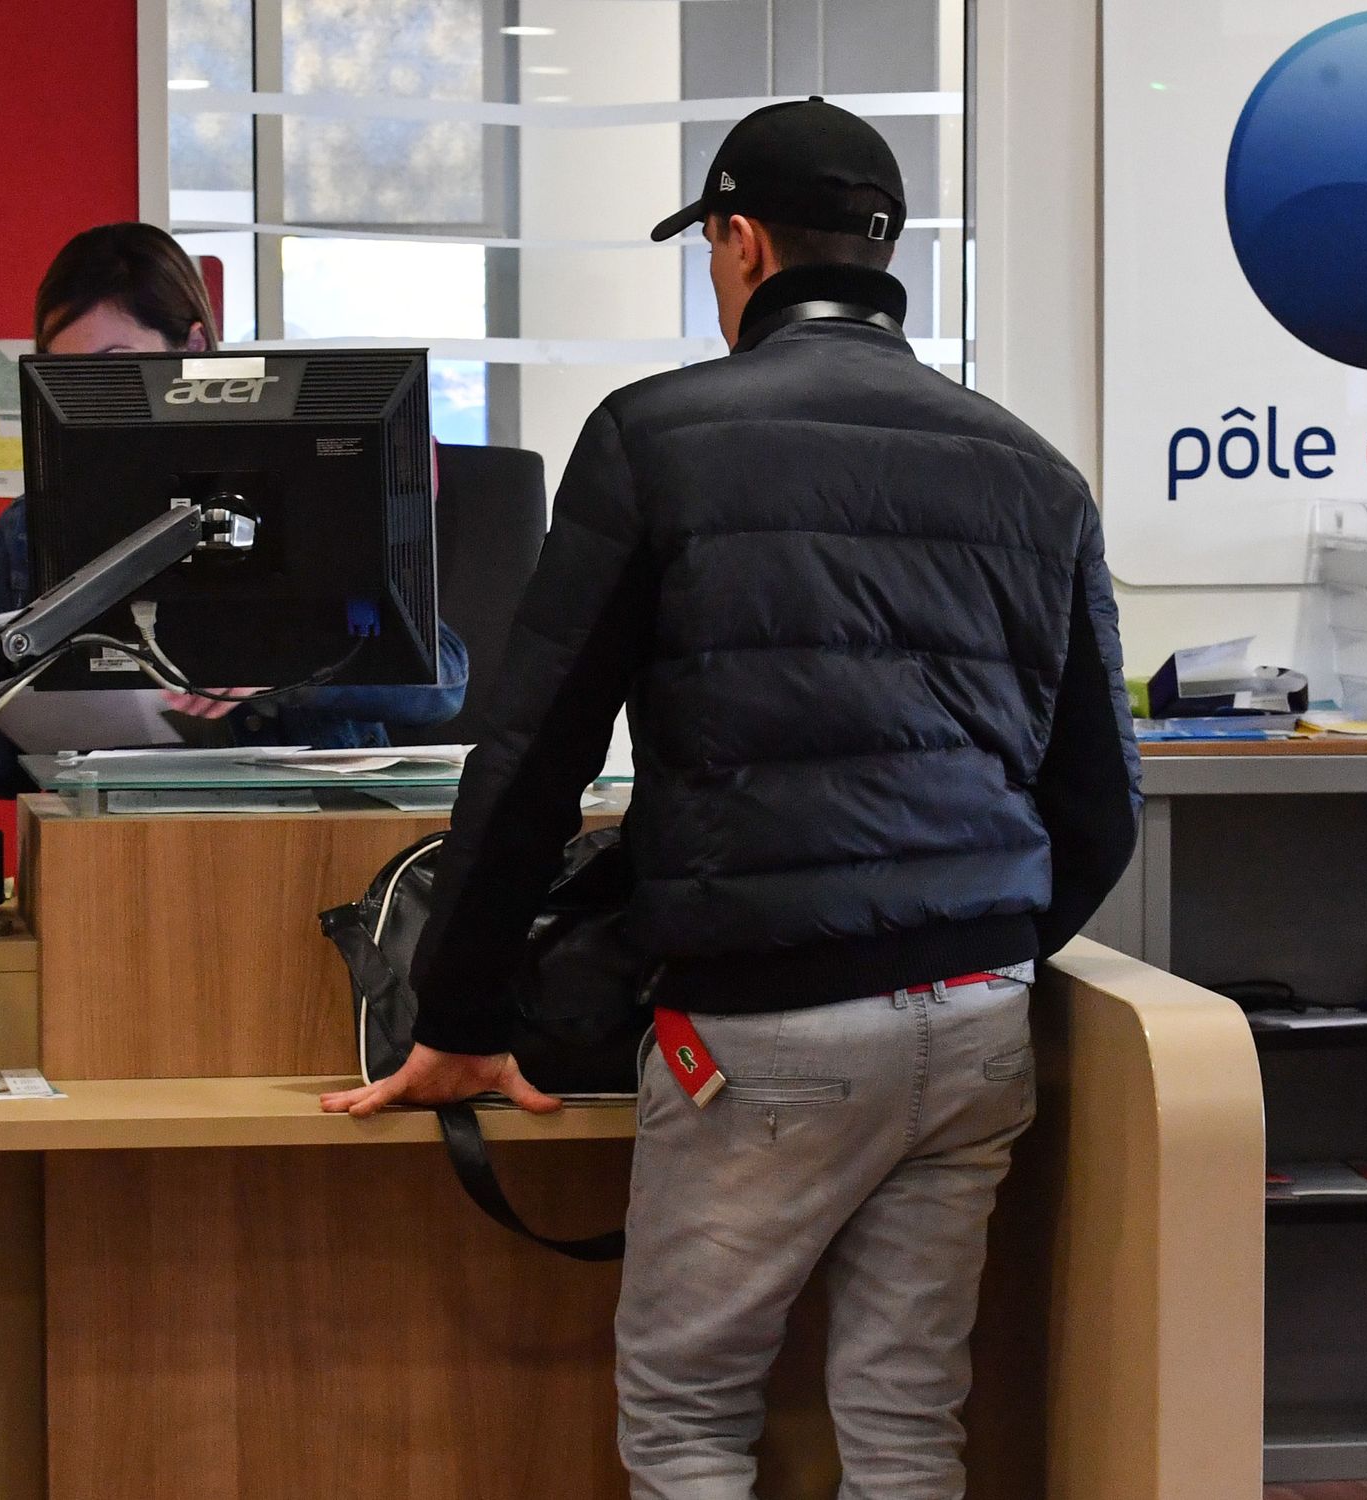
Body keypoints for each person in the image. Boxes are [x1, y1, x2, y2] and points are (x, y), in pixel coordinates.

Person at [319, 99, 1140, 1498]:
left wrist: (456, 1014)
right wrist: (967, 947)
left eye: (710, 250)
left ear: (742, 242)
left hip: (765, 1020)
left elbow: (534, 755)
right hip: (979, 1015)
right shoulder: (1035, 473)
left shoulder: (658, 437)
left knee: (692, 1418)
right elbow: (1101, 798)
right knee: (906, 1425)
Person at [0, 223, 465, 783]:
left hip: (315, 812)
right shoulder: (29, 528)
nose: (92, 395)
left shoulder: (319, 493)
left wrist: (284, 673)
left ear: (193, 347)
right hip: (121, 823)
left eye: (113, 365)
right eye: (66, 374)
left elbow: (443, 684)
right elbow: (14, 775)